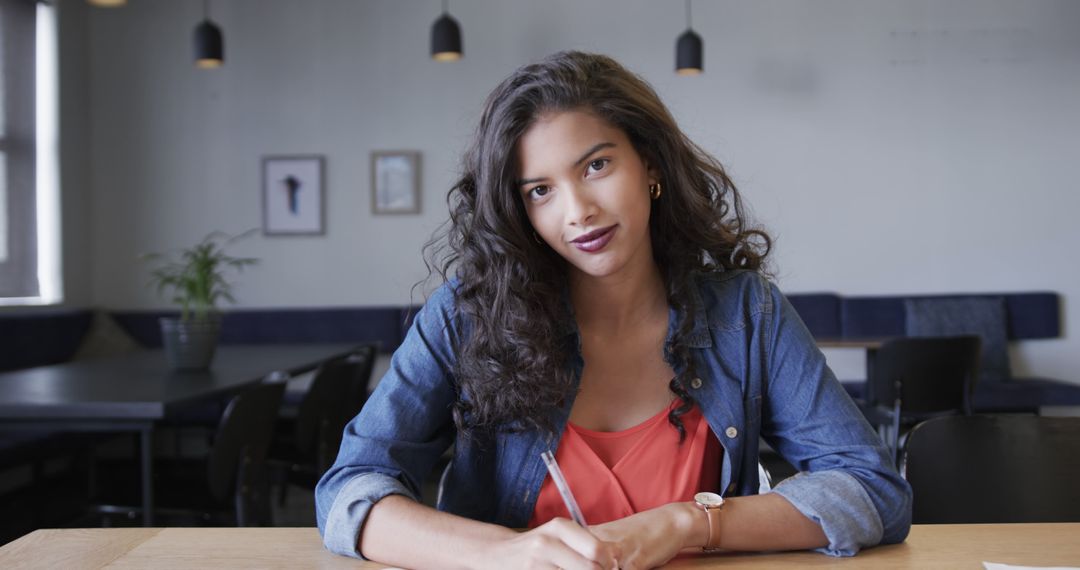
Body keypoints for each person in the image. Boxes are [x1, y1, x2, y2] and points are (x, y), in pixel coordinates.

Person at [316, 51, 911, 569]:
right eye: (539, 191)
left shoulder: (746, 314)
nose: (577, 211)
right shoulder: (466, 318)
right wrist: (502, 555)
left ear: (650, 165)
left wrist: (690, 523)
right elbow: (349, 491)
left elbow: (871, 490)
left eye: (596, 165)